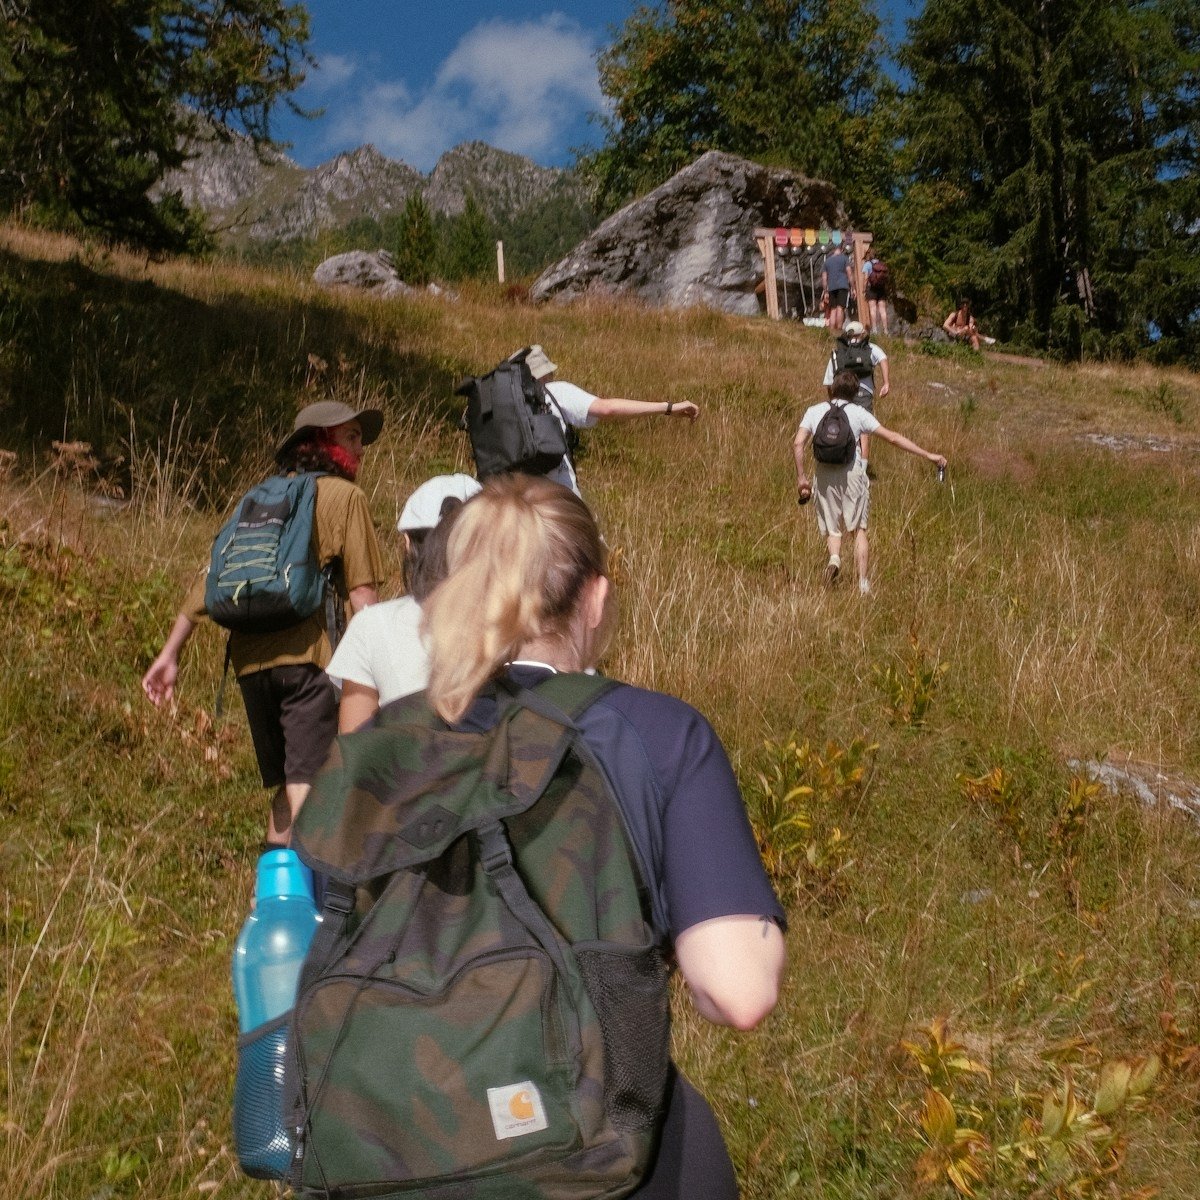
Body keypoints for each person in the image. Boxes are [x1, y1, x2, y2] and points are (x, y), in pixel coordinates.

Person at [421, 473, 787, 1198]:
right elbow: (738, 992)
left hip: (407, 1138)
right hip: (597, 1149)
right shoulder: (660, 734)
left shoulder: (387, 746)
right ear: (593, 597)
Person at [142, 400, 386, 846]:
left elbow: (212, 580)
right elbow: (363, 597)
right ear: (321, 442)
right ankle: (310, 903)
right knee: (313, 786)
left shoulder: (259, 499)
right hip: (309, 663)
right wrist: (377, 675)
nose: (361, 448)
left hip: (252, 666)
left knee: (291, 785)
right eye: (351, 436)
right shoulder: (346, 497)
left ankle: (269, 900)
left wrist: (170, 652)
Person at [325, 473, 479, 733]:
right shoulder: (519, 620)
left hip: (408, 770)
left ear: (407, 543)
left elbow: (353, 749)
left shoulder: (370, 626)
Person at [795, 370, 946, 595]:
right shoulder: (858, 412)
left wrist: (802, 478)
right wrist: (928, 455)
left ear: (832, 388)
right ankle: (863, 584)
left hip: (824, 474)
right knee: (858, 529)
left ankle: (834, 559)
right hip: (852, 474)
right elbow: (893, 438)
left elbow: (798, 444)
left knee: (833, 528)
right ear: (855, 393)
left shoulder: (815, 411)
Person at [519, 345, 700, 498]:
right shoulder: (553, 391)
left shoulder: (507, 407)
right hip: (562, 504)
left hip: (519, 507)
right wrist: (668, 408)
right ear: (544, 375)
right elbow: (608, 409)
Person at [822, 320, 889, 473]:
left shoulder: (839, 352)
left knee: (846, 428)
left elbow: (828, 381)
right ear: (862, 334)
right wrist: (886, 382)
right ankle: (863, 471)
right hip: (865, 393)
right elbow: (883, 359)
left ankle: (844, 463)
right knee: (863, 432)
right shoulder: (870, 348)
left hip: (842, 395)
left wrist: (832, 400)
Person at [819, 241, 853, 332]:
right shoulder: (845, 258)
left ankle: (831, 330)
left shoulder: (827, 261)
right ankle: (839, 329)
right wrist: (853, 286)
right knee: (840, 308)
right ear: (842, 249)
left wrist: (825, 290)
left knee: (833, 309)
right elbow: (849, 273)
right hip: (843, 285)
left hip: (831, 287)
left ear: (833, 249)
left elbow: (824, 277)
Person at [862, 252, 890, 335]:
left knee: (873, 309)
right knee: (883, 310)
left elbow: (866, 278)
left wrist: (864, 290)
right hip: (881, 289)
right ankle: (885, 330)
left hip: (872, 289)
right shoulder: (881, 264)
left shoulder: (867, 264)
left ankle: (874, 330)